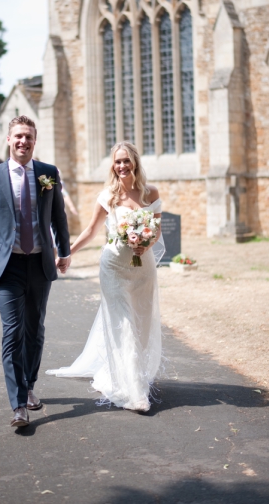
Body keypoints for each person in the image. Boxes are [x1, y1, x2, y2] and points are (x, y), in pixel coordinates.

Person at [0, 115, 71, 428]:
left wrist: (65, 251)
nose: (23, 142)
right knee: (12, 331)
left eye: (29, 137)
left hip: (39, 262)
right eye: (18, 136)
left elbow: (58, 217)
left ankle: (30, 384)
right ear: (9, 139)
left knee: (35, 330)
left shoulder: (48, 174)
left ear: (35, 141)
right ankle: (18, 404)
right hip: (6, 266)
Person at [46, 141, 164, 412]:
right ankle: (135, 393)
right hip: (113, 268)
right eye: (117, 161)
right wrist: (67, 253)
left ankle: (127, 373)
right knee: (123, 327)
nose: (121, 166)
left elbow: (156, 230)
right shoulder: (108, 196)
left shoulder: (151, 193)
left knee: (141, 327)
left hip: (143, 270)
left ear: (135, 162)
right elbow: (90, 231)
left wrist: (145, 244)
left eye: (126, 161)